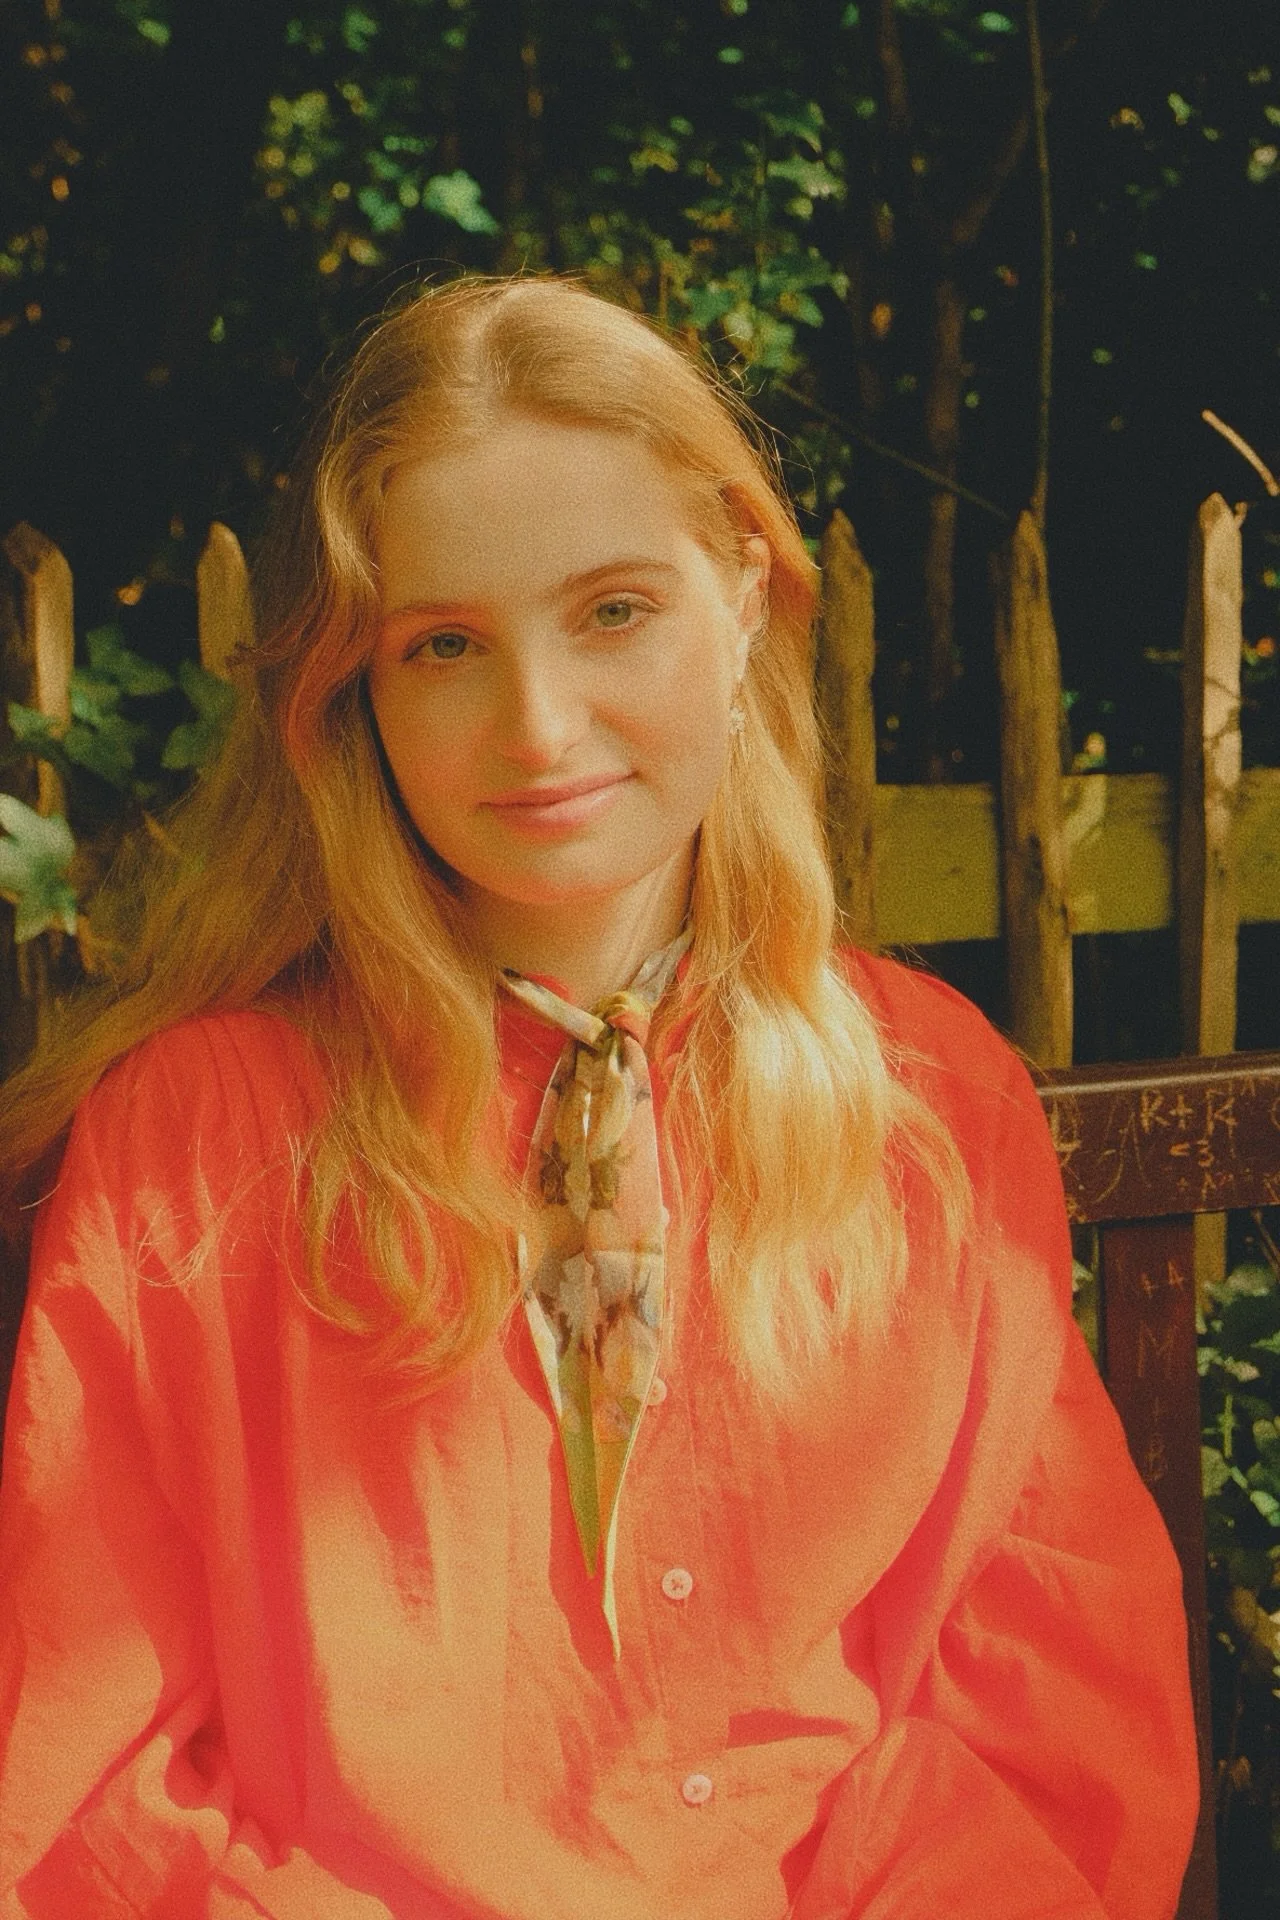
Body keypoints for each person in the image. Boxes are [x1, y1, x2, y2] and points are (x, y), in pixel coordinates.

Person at [0, 275, 1197, 1920]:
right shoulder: (194, 1142)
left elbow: (1049, 1697)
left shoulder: (926, 1097)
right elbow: (80, 1771)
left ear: (749, 598)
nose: (540, 725)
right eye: (443, 646)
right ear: (356, 701)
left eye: (615, 610)